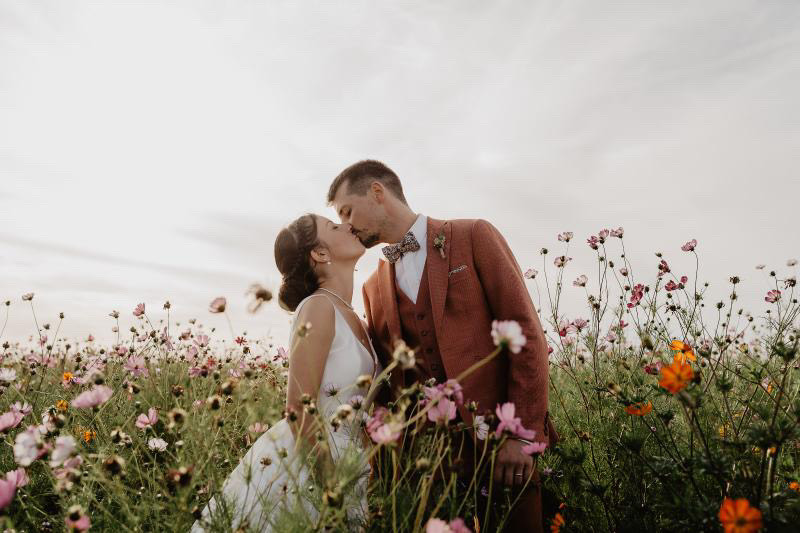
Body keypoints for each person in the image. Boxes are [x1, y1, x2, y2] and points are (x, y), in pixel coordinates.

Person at [328, 160, 558, 532]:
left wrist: (521, 435)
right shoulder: (371, 288)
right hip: (431, 469)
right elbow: (391, 385)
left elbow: (527, 334)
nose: (347, 225)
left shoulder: (473, 236)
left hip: (503, 449)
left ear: (376, 192)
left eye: (346, 211)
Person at [191, 213, 379, 532]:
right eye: (333, 227)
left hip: (352, 461)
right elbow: (298, 409)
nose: (347, 225)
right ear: (319, 254)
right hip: (313, 464)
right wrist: (331, 489)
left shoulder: (354, 315)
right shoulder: (318, 307)